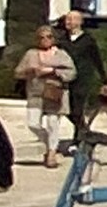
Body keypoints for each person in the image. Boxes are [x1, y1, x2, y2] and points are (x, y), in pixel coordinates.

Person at [13, 26, 75, 163]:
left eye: (49, 36)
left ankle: (52, 153)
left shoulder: (61, 54)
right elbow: (18, 72)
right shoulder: (31, 54)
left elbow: (71, 73)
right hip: (35, 93)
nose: (46, 40)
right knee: (33, 123)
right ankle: (49, 144)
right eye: (42, 37)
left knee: (53, 123)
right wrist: (31, 71)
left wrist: (52, 71)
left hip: (54, 92)